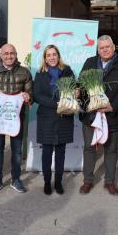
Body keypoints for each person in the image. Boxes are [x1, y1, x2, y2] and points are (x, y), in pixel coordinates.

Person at [79, 35, 118, 196]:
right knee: (89, 147)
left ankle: (110, 181)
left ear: (114, 47)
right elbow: (81, 82)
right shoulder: (90, 62)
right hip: (90, 114)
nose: (105, 49)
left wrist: (112, 107)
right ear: (98, 49)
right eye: (101, 47)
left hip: (112, 115)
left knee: (111, 149)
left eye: (108, 46)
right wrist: (77, 90)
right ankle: (88, 180)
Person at [0, 44, 33, 194]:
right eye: (6, 53)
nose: (9, 56)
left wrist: (29, 97)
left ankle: (16, 179)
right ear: (0, 56)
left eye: (12, 53)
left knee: (16, 150)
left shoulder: (24, 72)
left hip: (17, 117)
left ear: (16, 55)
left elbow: (31, 94)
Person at [33, 45, 76, 195]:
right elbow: (37, 95)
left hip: (64, 117)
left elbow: (72, 90)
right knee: (46, 152)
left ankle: (58, 182)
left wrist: (68, 99)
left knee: (60, 151)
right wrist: (56, 104)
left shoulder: (68, 71)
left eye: (54, 54)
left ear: (58, 56)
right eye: (48, 55)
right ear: (45, 58)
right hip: (46, 117)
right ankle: (46, 182)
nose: (51, 57)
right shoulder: (40, 74)